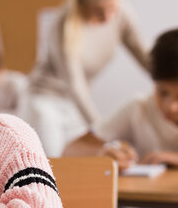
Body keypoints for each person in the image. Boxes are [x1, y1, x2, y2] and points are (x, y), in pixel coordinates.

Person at [21, 0, 149, 157]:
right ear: (83, 2)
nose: (107, 17)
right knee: (55, 167)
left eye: (112, 8)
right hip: (44, 103)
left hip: (72, 104)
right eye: (99, 10)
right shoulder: (64, 24)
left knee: (85, 164)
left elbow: (146, 58)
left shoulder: (122, 14)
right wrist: (104, 132)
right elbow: (76, 87)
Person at [64, 28, 178, 169]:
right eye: (163, 93)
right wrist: (100, 153)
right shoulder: (138, 109)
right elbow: (70, 150)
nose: (171, 106)